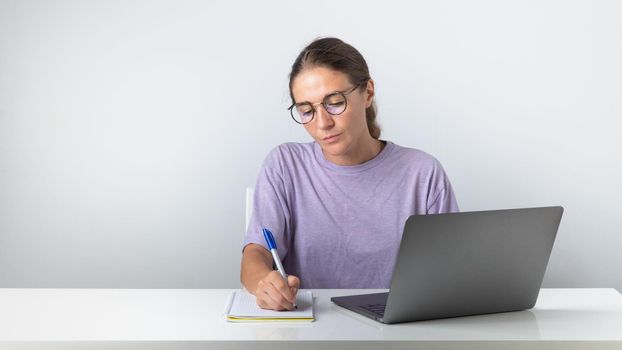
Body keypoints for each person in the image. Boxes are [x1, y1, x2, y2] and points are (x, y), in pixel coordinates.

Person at [240, 37, 459, 311]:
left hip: (397, 331)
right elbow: (256, 253)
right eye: (307, 111)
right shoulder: (285, 165)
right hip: (310, 327)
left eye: (334, 102)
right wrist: (265, 282)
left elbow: (449, 271)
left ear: (367, 92)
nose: (322, 123)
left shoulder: (423, 173)